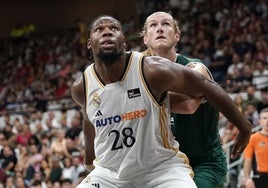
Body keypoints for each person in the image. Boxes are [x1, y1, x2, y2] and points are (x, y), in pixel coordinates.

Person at [71, 15, 251, 188]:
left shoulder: (156, 69)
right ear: (89, 43)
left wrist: (244, 127)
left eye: (113, 28)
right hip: (111, 172)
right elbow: (90, 117)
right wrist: (89, 158)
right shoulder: (82, 87)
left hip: (167, 166)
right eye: (99, 29)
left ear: (124, 40)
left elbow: (198, 96)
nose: (107, 32)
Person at [140, 11, 247, 188]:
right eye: (153, 25)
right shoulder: (139, 72)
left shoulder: (194, 67)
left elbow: (188, 105)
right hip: (165, 165)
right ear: (145, 39)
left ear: (176, 36)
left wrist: (140, 96)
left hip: (204, 163)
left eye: (166, 24)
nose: (160, 28)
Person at [243, 108, 268, 188]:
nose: (267, 120)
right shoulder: (253, 138)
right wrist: (247, 179)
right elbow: (247, 160)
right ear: (260, 121)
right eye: (265, 118)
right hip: (260, 178)